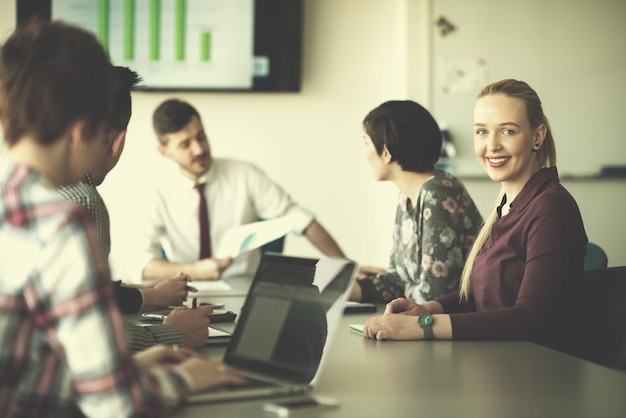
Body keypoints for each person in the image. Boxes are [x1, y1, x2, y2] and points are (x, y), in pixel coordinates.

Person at [0, 20, 244, 417]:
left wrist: (127, 367)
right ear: (82, 133)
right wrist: (186, 378)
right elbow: (113, 405)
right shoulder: (63, 220)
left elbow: (23, 366)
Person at [362, 79, 589, 359]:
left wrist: (423, 326)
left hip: (537, 375)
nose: (491, 145)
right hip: (496, 363)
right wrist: (426, 309)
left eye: (508, 131)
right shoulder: (505, 207)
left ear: (537, 137)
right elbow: (481, 295)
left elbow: (529, 319)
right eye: (482, 132)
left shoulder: (551, 207)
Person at [58, 66, 212, 352]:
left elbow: (66, 300)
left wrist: (148, 295)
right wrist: (172, 334)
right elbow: (92, 338)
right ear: (117, 140)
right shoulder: (82, 201)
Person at [128, 98, 347, 282]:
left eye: (201, 136)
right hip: (185, 293)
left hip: (245, 290)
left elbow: (300, 219)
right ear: (164, 152)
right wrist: (196, 271)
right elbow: (141, 264)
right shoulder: (155, 192)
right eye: (185, 144)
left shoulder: (244, 174)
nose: (199, 148)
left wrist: (345, 269)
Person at [349, 100, 483, 304]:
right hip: (425, 324)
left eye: (367, 143)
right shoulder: (407, 196)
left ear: (385, 152)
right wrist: (342, 289)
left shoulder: (438, 192)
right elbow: (398, 282)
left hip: (452, 325)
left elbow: (437, 293)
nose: (366, 155)